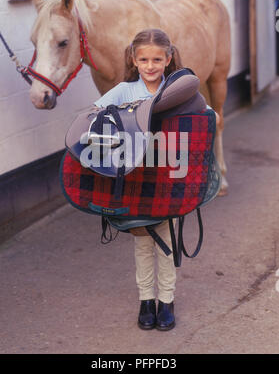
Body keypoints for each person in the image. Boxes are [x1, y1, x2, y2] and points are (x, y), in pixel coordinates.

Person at [94, 28, 188, 331]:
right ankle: (146, 300)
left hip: (171, 176)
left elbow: (203, 116)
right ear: (134, 59)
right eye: (144, 59)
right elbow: (96, 113)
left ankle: (167, 301)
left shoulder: (177, 89)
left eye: (157, 59)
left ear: (168, 58)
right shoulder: (124, 90)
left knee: (167, 242)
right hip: (135, 178)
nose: (150, 65)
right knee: (143, 242)